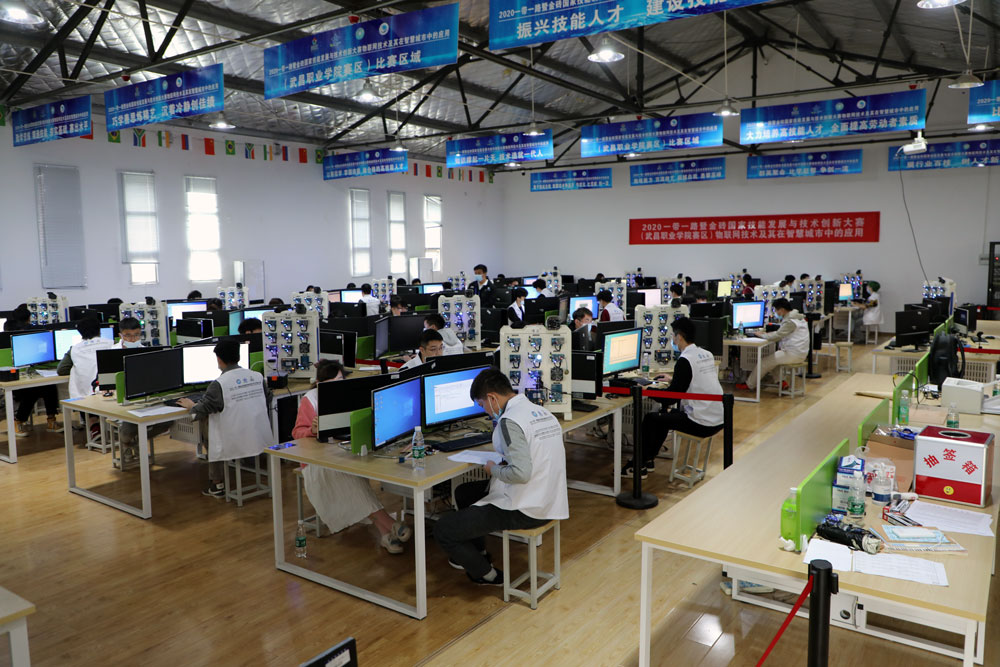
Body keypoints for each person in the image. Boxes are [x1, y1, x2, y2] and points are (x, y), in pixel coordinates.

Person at [434, 369, 569, 585]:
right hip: (550, 499)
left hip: (527, 508)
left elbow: (520, 473)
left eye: (482, 405)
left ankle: (486, 574)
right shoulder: (539, 412)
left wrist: (493, 470)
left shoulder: (510, 421)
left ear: (492, 398)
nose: (486, 412)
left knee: (443, 529)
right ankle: (479, 552)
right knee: (464, 492)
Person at [294, 360, 411, 554]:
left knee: (352, 474)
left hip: (343, 451)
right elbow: (297, 433)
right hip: (317, 461)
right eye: (331, 382)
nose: (337, 385)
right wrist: (312, 431)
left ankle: (385, 533)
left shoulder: (349, 393)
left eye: (340, 380)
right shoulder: (310, 400)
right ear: (319, 384)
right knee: (345, 476)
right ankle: (389, 523)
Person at [627, 318, 724, 478]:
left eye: (672, 335)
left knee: (652, 419)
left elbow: (670, 398)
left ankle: (637, 466)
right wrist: (673, 379)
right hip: (718, 417)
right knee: (663, 417)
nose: (672, 339)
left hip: (701, 422)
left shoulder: (685, 360)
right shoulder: (706, 354)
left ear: (679, 337)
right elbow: (699, 380)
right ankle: (647, 460)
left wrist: (647, 389)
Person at [177, 341, 273, 498]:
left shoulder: (219, 384)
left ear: (219, 359)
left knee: (208, 425)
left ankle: (217, 483)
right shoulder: (257, 376)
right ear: (238, 356)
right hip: (257, 434)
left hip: (232, 439)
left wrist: (191, 405)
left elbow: (200, 411)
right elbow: (268, 398)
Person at [4, 312, 62, 436]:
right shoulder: (5, 347)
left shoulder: (25, 345)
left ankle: (51, 420)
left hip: (28, 378)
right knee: (33, 391)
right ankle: (18, 420)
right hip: (13, 382)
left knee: (49, 387)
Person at [57, 318, 115, 440]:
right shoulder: (111, 343)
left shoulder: (75, 349)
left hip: (88, 397)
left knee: (82, 392)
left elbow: (61, 369)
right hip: (110, 391)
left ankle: (94, 427)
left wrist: (77, 367)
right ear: (99, 330)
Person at [741, 298, 810, 391]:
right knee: (773, 360)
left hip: (793, 353)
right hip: (800, 352)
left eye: (776, 310)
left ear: (782, 310)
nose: (776, 313)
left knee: (764, 363)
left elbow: (777, 336)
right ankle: (781, 382)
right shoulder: (797, 317)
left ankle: (749, 385)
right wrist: (768, 334)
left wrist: (762, 335)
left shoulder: (790, 321)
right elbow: (781, 332)